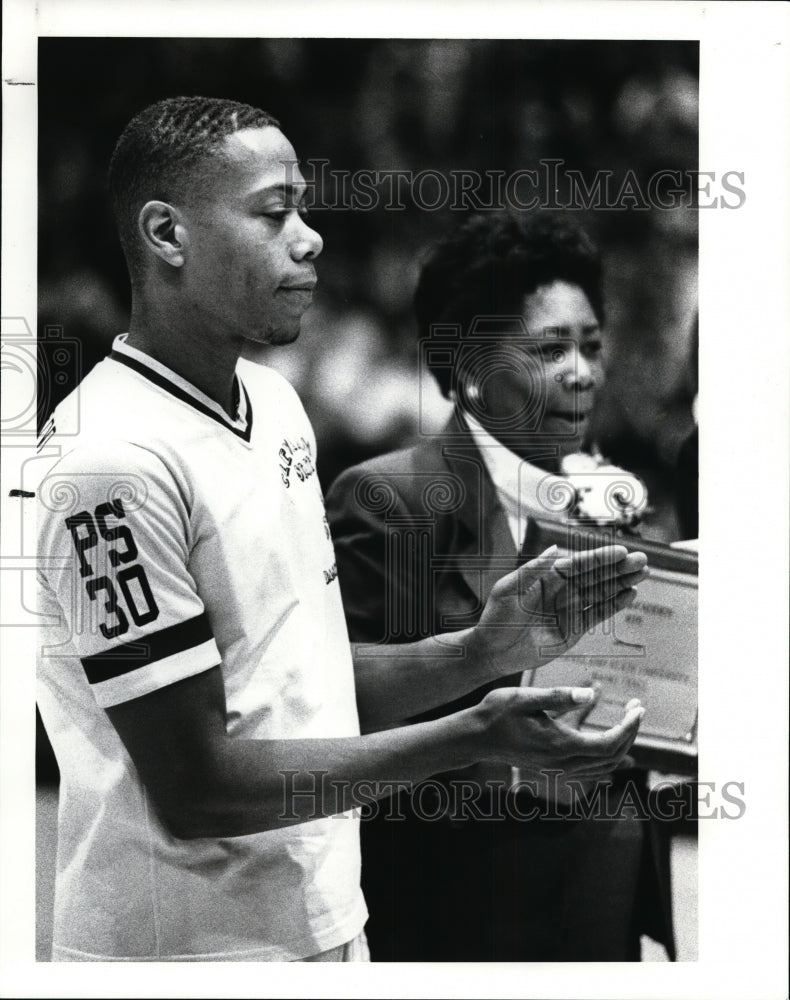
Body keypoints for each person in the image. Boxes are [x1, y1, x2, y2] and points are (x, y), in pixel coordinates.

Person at [34, 98, 647, 962]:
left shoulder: (277, 404)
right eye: (273, 211)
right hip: (184, 951)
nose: (310, 237)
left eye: (305, 208)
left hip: (326, 920)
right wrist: (470, 734)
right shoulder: (112, 458)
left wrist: (479, 651)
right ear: (168, 234)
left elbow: (300, 681)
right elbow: (198, 786)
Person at [326, 210, 675, 961]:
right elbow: (340, 706)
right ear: (473, 369)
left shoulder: (615, 496)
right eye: (551, 349)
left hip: (601, 883)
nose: (582, 372)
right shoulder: (395, 498)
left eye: (591, 345)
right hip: (455, 894)